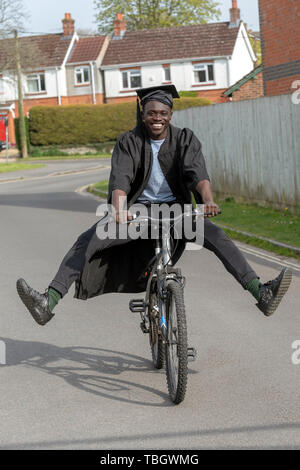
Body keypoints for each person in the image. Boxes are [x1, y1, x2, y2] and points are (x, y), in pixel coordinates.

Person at [17, 85, 292, 326]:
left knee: (217, 237)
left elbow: (198, 174)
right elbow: (121, 178)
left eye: (163, 113)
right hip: (137, 212)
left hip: (177, 211)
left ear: (170, 114)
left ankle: (261, 293)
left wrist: (208, 201)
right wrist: (119, 208)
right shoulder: (129, 141)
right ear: (143, 113)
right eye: (151, 113)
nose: (157, 118)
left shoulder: (185, 139)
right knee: (90, 239)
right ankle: (48, 301)